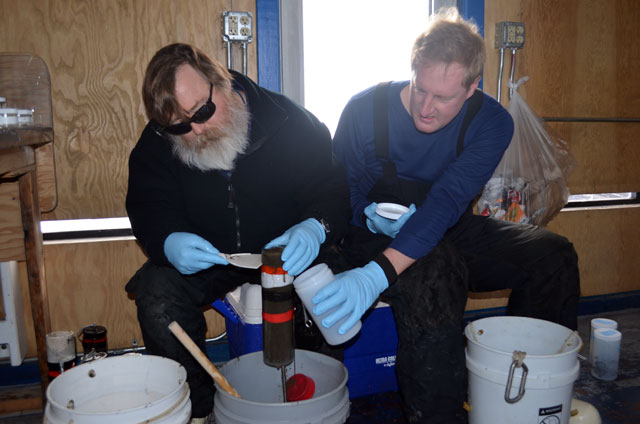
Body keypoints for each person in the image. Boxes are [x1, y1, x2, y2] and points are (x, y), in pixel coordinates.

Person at [312, 8, 580, 423]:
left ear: (472, 87)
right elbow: (338, 192)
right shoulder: (364, 109)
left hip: (446, 221)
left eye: (444, 97)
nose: (426, 108)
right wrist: (366, 214)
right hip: (366, 232)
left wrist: (378, 274)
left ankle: (528, 388)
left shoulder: (492, 123)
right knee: (434, 271)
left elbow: (447, 202)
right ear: (414, 71)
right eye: (420, 89)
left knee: (552, 254)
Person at [125, 43, 350, 423]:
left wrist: (316, 227)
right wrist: (166, 240)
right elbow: (148, 206)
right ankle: (197, 411)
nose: (196, 130)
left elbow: (332, 192)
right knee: (157, 294)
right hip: (213, 258)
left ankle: (310, 410)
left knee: (325, 297)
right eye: (181, 126)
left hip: (287, 253)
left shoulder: (289, 122)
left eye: (204, 112)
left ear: (222, 81)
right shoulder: (158, 141)